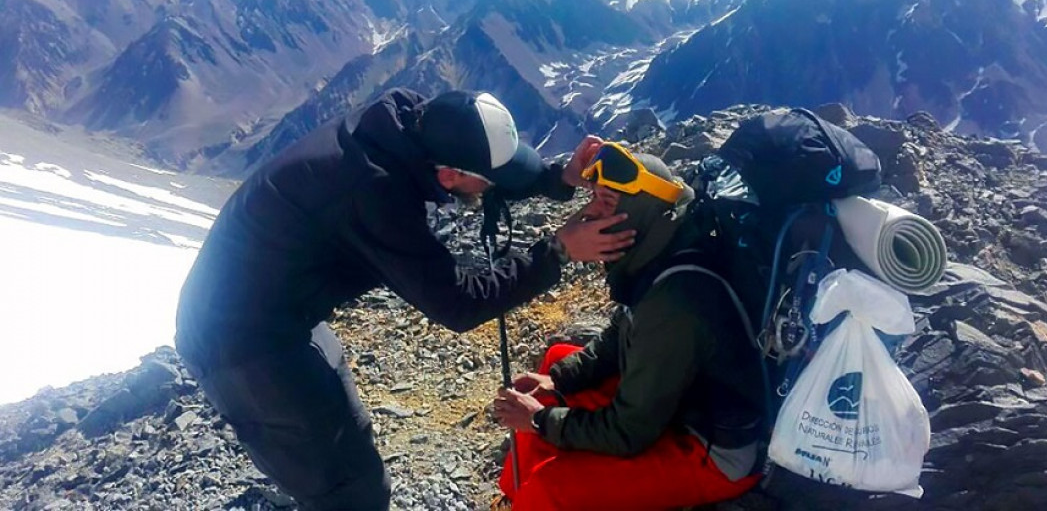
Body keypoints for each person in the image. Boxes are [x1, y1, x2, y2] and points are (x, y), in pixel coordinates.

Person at [175, 88, 636, 510]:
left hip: (272, 308)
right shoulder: (374, 191)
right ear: (451, 175)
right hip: (240, 342)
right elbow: (457, 303)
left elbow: (484, 166)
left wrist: (562, 179)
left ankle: (313, 474)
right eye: (489, 181)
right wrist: (557, 251)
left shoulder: (413, 122)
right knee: (351, 488)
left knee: (344, 440)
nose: (494, 187)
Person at [493, 143, 765, 511]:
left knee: (552, 487)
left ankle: (537, 498)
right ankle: (518, 498)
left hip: (708, 451)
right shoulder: (659, 251)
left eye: (608, 204)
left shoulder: (674, 301)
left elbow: (629, 431)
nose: (590, 216)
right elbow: (616, 338)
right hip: (673, 405)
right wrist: (557, 381)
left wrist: (540, 420)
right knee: (558, 361)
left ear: (638, 211)